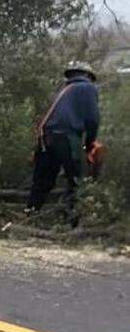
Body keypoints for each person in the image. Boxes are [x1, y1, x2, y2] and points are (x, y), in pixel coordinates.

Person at [25, 61, 100, 227]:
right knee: (75, 180)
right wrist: (89, 144)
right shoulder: (88, 88)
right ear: (88, 75)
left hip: (46, 138)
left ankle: (29, 216)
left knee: (42, 181)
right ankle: (72, 223)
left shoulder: (61, 91)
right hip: (67, 137)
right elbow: (92, 119)